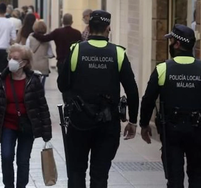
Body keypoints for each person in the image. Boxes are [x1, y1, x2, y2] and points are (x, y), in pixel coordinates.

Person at [139, 24, 201, 188]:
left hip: (171, 133)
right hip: (196, 132)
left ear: (177, 44)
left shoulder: (163, 68)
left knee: (174, 179)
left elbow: (148, 100)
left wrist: (144, 125)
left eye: (171, 40)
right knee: (197, 176)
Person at [57, 10, 139, 188]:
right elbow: (132, 90)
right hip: (108, 124)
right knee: (100, 175)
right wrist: (133, 120)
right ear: (108, 28)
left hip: (79, 122)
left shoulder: (77, 49)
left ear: (89, 27)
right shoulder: (118, 53)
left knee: (77, 171)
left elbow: (62, 84)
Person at [0, 44, 52, 188]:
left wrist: (46, 132)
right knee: (7, 157)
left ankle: (21, 186)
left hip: (27, 126)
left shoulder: (33, 81)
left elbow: (42, 107)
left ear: (24, 62)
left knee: (23, 160)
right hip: (8, 125)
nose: (11, 61)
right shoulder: (0, 80)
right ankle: (8, 185)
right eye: (10, 58)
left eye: (16, 59)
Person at [26, 20, 54, 87]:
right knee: (41, 86)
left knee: (32, 85)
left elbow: (26, 51)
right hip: (43, 66)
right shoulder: (47, 40)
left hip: (32, 65)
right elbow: (50, 54)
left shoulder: (30, 38)